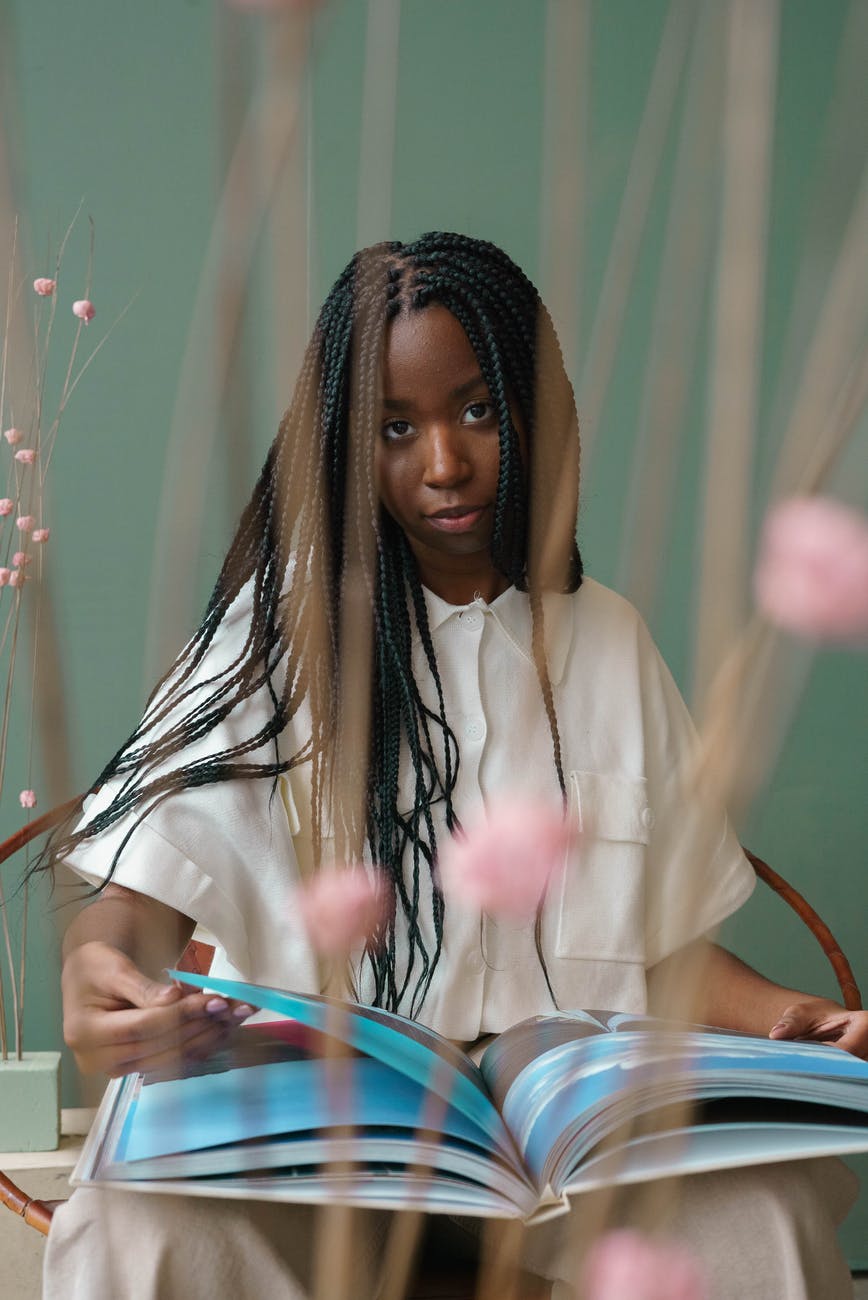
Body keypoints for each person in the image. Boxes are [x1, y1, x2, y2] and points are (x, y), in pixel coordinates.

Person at [43, 233, 864, 1298]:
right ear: (348, 443)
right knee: (136, 1226)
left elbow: (659, 951)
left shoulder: (609, 643)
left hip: (564, 1155)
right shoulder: (274, 639)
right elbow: (143, 900)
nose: (444, 462)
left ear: (538, 409)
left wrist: (793, 1021)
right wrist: (96, 968)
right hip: (319, 1146)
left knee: (759, 1208)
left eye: (478, 409)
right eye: (396, 427)